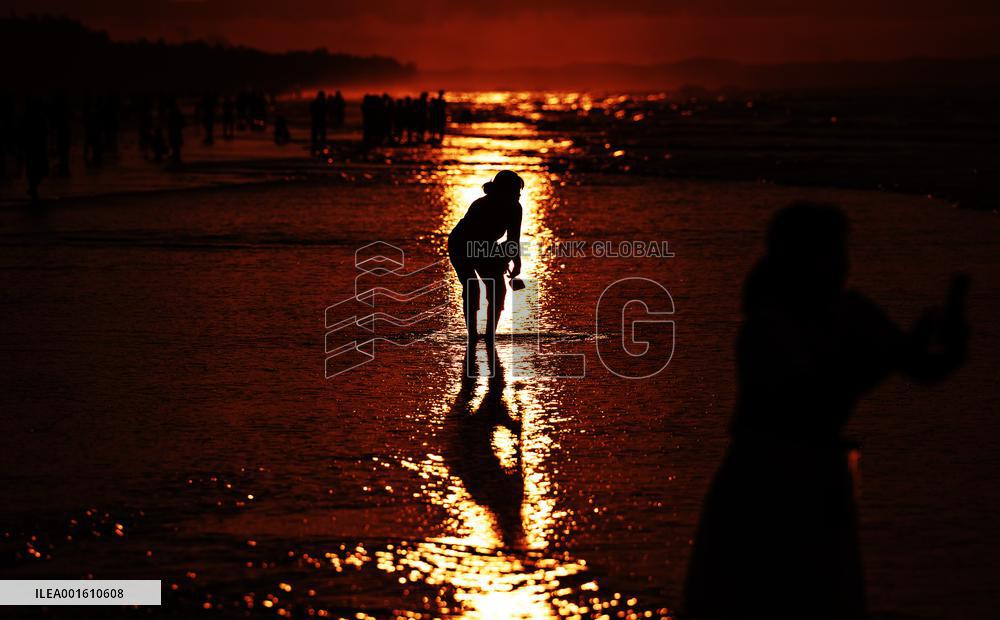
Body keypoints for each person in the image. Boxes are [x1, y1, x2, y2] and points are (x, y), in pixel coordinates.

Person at [683, 202, 969, 620]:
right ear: (794, 257)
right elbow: (811, 399)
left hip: (819, 475)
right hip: (765, 479)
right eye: (829, 252)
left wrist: (951, 347)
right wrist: (896, 356)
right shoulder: (768, 323)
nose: (840, 263)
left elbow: (922, 368)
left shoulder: (850, 310)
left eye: (840, 251)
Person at [448, 170, 523, 365]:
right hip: (461, 244)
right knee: (472, 286)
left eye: (519, 192)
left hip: (486, 246)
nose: (518, 195)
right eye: (515, 191)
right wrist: (498, 258)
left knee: (498, 288)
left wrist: (516, 262)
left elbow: (513, 238)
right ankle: (472, 335)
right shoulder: (481, 205)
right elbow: (475, 239)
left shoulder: (516, 208)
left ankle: (490, 334)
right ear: (501, 191)